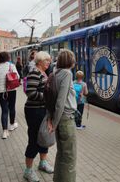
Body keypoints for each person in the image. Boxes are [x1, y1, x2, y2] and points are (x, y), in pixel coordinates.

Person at [23, 51, 54, 182]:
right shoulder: (34, 72)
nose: (49, 63)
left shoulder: (43, 73)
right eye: (46, 60)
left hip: (42, 110)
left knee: (44, 136)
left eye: (49, 61)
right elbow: (31, 93)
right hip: (34, 111)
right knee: (35, 139)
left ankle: (42, 163)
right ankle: (28, 171)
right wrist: (47, 98)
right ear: (40, 61)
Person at [48, 49, 77, 182]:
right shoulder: (67, 74)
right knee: (70, 157)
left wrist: (53, 119)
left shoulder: (55, 72)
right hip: (66, 119)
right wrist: (54, 123)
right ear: (70, 61)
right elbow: (60, 101)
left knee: (61, 154)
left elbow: (51, 99)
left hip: (59, 118)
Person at [0, 52, 19, 139]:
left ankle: (5, 132)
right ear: (8, 58)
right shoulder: (11, 66)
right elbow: (17, 76)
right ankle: (12, 124)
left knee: (4, 110)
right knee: (12, 107)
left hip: (0, 92)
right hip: (11, 90)